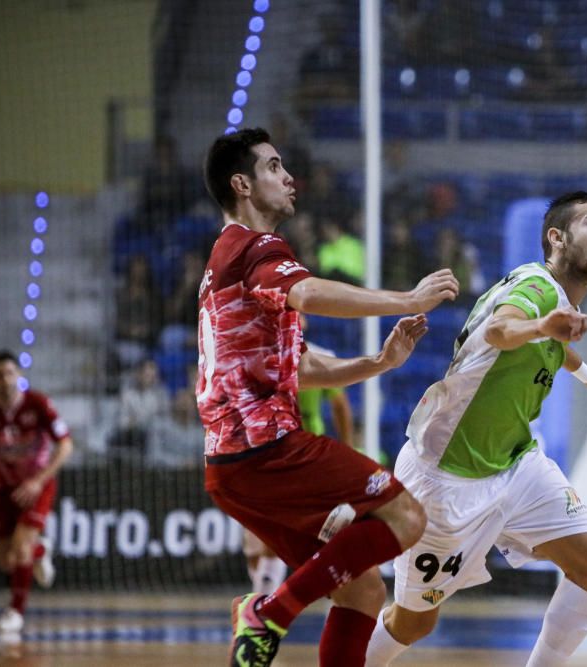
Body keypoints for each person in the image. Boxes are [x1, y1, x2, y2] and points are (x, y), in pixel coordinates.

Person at [197, 127, 459, 667]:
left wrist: (378, 364)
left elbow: (298, 365)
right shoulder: (257, 246)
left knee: (362, 591)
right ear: (241, 184)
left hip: (228, 470)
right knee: (406, 517)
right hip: (269, 450)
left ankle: (270, 609)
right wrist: (406, 299)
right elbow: (309, 291)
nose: (289, 177)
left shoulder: (224, 262)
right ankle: (270, 612)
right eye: (273, 167)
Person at [366, 192, 587, 667]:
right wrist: (544, 326)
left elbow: (557, 347)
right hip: (444, 481)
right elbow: (502, 330)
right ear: (555, 239)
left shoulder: (553, 304)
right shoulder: (537, 287)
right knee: (414, 622)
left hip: (516, 465)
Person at [243, 314, 358, 597]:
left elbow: (341, 407)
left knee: (276, 526)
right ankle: (265, 591)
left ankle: (266, 599)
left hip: (303, 450)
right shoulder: (257, 360)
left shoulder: (319, 357)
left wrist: (347, 449)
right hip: (265, 451)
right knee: (255, 543)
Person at [0, 351, 73, 635]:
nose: (5, 379)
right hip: (0, 489)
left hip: (36, 486)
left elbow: (66, 445)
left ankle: (15, 612)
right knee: (5, 559)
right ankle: (40, 550)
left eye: (10, 373)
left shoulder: (38, 404)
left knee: (20, 547)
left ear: (19, 375)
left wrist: (39, 480)